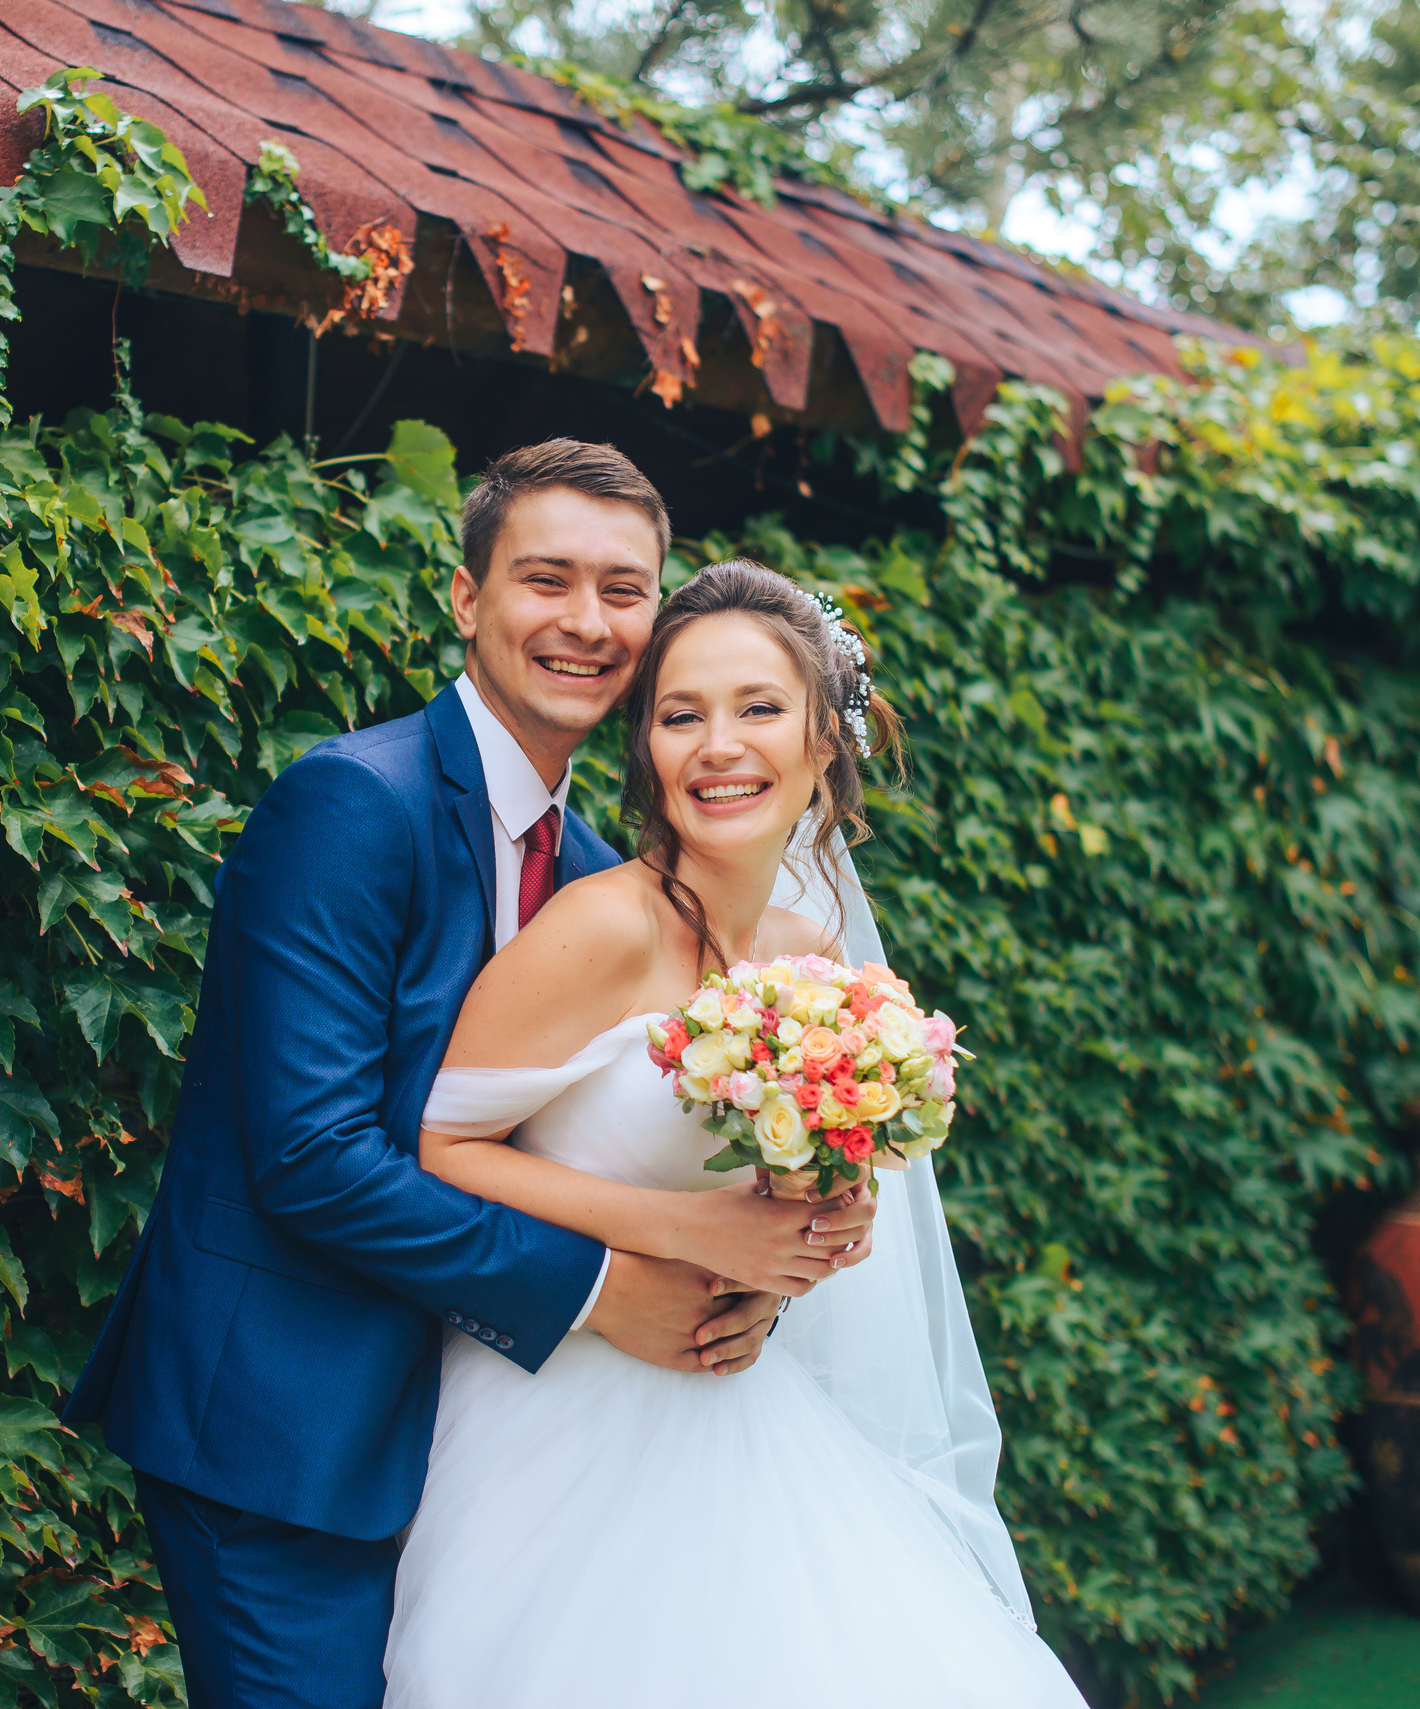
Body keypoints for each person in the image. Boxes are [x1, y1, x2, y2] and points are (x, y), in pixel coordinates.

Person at [64, 444, 882, 1709]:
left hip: (495, 1434)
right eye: (546, 578)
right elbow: (312, 1157)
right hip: (289, 1421)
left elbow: (595, 1144)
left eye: (623, 590)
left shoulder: (608, 873)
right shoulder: (352, 802)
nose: (586, 621)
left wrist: (752, 1275)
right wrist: (604, 1288)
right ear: (465, 596)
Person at [385, 559, 1083, 1706]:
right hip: (556, 1419)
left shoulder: (814, 954)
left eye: (758, 707)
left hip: (733, 1396)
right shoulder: (601, 926)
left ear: (822, 741)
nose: (718, 746)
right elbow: (439, 1150)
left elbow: (804, 1185)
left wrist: (795, 1253)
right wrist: (682, 1232)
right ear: (646, 750)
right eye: (679, 715)